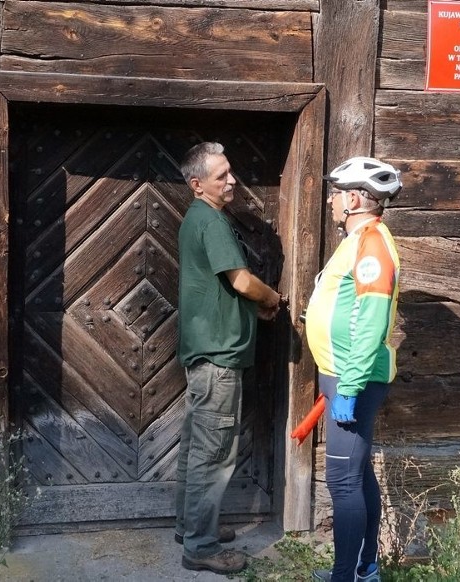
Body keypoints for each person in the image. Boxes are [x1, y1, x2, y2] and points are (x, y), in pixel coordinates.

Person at [174, 141, 281, 575]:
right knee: (213, 455)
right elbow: (240, 281)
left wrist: (250, 306)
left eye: (230, 171)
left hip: (205, 353)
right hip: (218, 357)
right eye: (222, 175)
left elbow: (218, 288)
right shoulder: (212, 221)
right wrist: (274, 298)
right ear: (198, 185)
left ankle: (190, 527)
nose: (232, 180)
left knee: (195, 448)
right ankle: (200, 547)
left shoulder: (196, 218)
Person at [304, 157, 403, 582]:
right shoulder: (357, 240)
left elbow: (372, 319)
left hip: (353, 378)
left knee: (342, 481)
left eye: (337, 192)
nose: (331, 198)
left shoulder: (372, 245)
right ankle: (365, 569)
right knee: (357, 474)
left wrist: (350, 385)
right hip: (343, 374)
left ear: (355, 198)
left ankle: (346, 577)